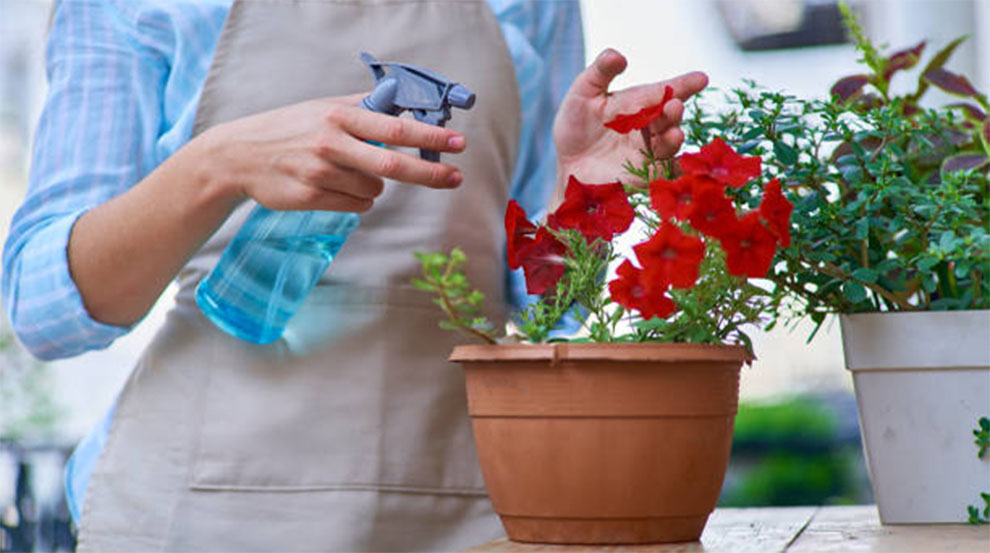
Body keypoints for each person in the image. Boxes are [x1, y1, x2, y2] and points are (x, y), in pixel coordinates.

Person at [1, 0, 707, 550]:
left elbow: (543, 307)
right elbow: (45, 308)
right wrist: (215, 165)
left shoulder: (532, 7)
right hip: (200, 511)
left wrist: (582, 197)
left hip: (468, 507)